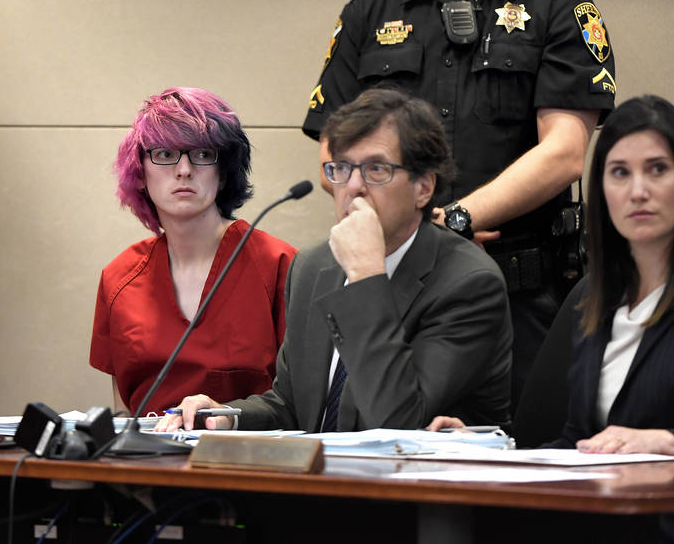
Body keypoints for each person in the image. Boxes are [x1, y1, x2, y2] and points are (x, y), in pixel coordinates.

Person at [301, 0, 616, 409]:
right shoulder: (369, 14)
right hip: (393, 287)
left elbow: (567, 153)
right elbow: (333, 151)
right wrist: (415, 230)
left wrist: (457, 219)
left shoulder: (558, 4)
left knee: (522, 471)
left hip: (526, 294)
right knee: (381, 445)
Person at [431, 95, 674, 542]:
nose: (637, 190)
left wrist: (669, 442)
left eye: (657, 169)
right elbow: (579, 442)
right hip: (600, 518)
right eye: (620, 173)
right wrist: (486, 442)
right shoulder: (596, 295)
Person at [159, 89, 511, 433]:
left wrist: (366, 276)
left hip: (414, 485)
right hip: (318, 484)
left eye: (376, 169)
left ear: (423, 187)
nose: (353, 186)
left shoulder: (468, 282)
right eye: (341, 168)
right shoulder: (313, 267)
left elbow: (395, 421)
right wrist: (229, 416)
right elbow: (292, 406)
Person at [90, 87, 296, 417]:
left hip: (250, 459)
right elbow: (123, 412)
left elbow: (303, 404)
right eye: (165, 153)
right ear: (140, 172)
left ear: (224, 172)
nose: (184, 169)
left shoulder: (280, 265)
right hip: (149, 463)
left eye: (202, 154)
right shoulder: (119, 277)